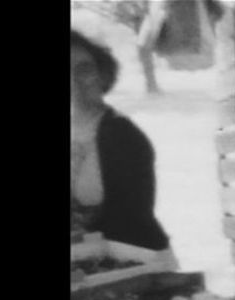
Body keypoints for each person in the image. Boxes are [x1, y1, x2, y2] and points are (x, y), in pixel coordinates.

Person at [71, 30, 170, 250]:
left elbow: (129, 221)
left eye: (84, 70)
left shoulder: (121, 136)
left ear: (103, 75)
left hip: (129, 264)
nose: (73, 81)